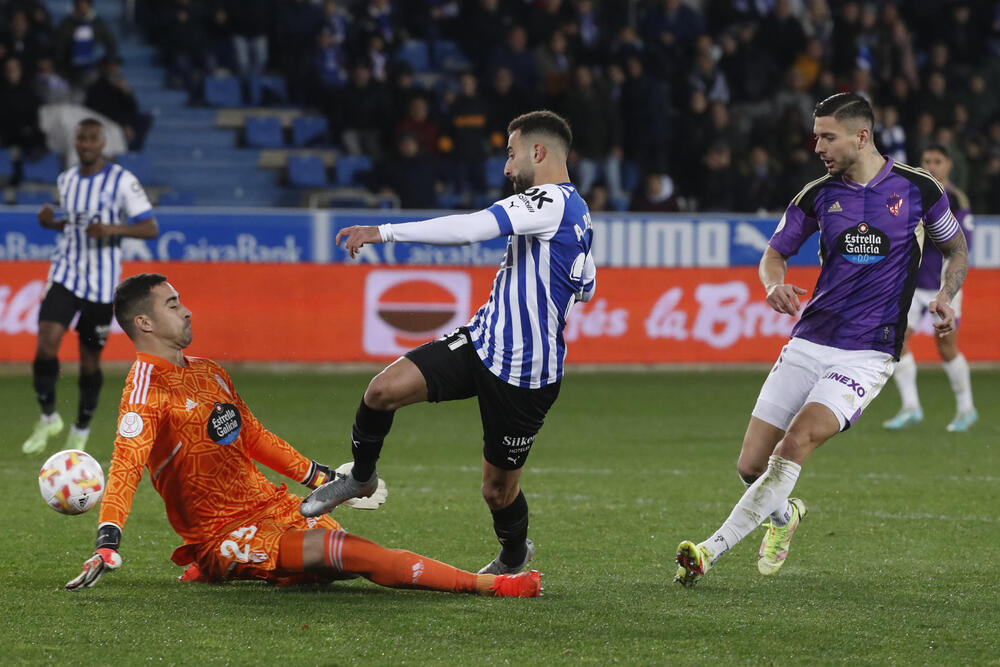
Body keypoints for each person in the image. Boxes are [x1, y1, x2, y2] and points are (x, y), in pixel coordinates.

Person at [65, 273, 540, 598]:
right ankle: (491, 586)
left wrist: (321, 479)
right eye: (173, 305)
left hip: (274, 506)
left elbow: (251, 435)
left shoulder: (208, 371)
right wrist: (109, 539)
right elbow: (126, 462)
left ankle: (234, 572)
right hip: (222, 531)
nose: (186, 311)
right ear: (143, 323)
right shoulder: (145, 389)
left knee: (335, 567)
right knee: (350, 553)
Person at [673, 93, 968, 587]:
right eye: (815, 136)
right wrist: (773, 284)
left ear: (862, 136)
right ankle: (785, 517)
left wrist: (946, 295)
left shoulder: (920, 189)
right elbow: (773, 254)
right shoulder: (817, 194)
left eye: (827, 136)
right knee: (750, 465)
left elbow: (955, 248)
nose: (817, 146)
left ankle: (708, 550)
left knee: (796, 442)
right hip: (810, 340)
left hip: (868, 352)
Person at [301, 110, 596, 576]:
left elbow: (469, 230)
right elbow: (585, 286)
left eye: (511, 154)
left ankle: (515, 554)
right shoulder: (577, 213)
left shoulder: (551, 201)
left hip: (526, 374)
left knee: (497, 491)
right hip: (482, 341)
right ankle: (361, 476)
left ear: (538, 153)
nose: (506, 167)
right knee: (381, 391)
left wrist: (384, 231)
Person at [22, 118, 159, 456]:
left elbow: (150, 227)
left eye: (91, 139)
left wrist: (111, 230)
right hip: (65, 274)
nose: (85, 144)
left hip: (100, 284)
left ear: (102, 143)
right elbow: (75, 222)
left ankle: (80, 429)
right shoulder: (66, 180)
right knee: (45, 345)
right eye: (80, 139)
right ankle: (49, 417)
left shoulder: (122, 180)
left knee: (89, 362)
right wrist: (51, 223)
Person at [883, 144, 977, 432]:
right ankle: (911, 407)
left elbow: (961, 247)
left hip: (943, 286)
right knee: (896, 342)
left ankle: (966, 409)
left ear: (949, 164)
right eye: (926, 160)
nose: (931, 165)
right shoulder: (909, 193)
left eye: (937, 160)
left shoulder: (956, 200)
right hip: (911, 283)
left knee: (946, 346)